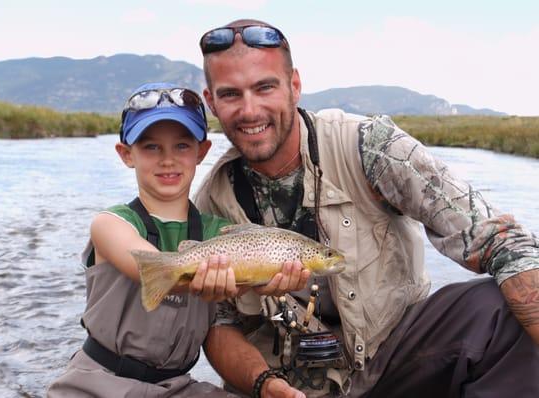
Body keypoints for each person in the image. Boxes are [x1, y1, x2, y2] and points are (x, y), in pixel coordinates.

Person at [193, 19, 539, 398]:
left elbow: (501, 242)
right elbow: (219, 327)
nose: (249, 110)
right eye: (230, 95)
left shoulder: (370, 145)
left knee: (497, 307)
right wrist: (264, 386)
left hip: (395, 359)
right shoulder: (210, 202)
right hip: (288, 384)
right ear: (211, 102)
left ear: (294, 86)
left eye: (265, 87)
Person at [47, 82, 241, 398]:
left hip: (178, 387)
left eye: (181, 146)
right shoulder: (110, 224)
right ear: (126, 154)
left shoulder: (220, 232)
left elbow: (255, 268)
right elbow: (155, 270)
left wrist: (269, 281)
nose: (168, 160)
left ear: (201, 152)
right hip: (98, 383)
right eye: (151, 147)